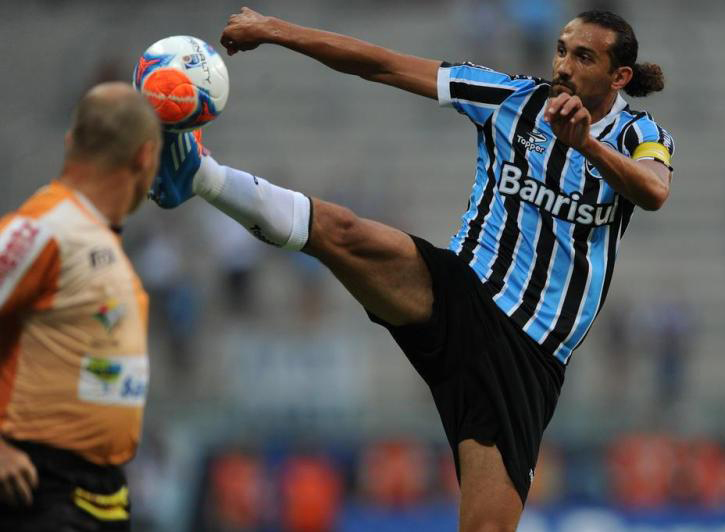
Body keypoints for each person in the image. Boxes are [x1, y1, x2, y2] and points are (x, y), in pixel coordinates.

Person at [152, 8, 675, 530]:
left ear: (619, 76)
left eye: (584, 56)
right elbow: (381, 65)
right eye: (562, 49)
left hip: (528, 355)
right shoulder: (510, 98)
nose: (563, 65)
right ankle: (197, 173)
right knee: (346, 234)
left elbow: (652, 190)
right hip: (460, 295)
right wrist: (274, 30)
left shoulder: (642, 133)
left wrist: (584, 144)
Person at [0, 82, 162, 531]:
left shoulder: (90, 234)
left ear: (71, 143)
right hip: (35, 486)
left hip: (97, 494)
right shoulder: (45, 229)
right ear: (145, 158)